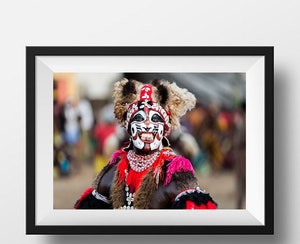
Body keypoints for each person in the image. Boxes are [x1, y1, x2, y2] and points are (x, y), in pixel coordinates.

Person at [75, 78, 217, 209]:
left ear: (164, 129)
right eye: (140, 118)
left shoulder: (176, 175)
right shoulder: (111, 174)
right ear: (129, 128)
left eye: (155, 119)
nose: (148, 125)